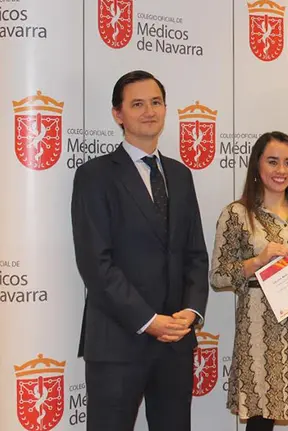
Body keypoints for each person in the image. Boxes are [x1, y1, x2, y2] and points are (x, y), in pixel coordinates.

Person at [71, 70, 209, 431]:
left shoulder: (180, 175)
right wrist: (149, 321)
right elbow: (96, 265)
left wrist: (191, 311)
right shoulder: (95, 176)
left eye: (156, 102)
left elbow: (195, 253)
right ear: (118, 114)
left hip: (175, 343)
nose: (149, 111)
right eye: (137, 104)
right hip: (118, 341)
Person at [209, 131, 288, 431]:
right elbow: (217, 275)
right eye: (273, 162)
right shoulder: (237, 214)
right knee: (259, 420)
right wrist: (257, 261)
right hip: (258, 329)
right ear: (257, 165)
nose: (282, 171)